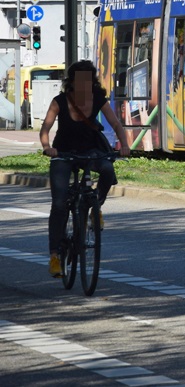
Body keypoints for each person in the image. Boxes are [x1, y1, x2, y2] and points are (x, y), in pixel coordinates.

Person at [39, 60, 131, 278]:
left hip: (90, 152)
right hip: (63, 154)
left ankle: (95, 206)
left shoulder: (98, 99)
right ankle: (55, 255)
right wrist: (47, 147)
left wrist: (124, 145)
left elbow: (116, 124)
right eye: (80, 80)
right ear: (72, 82)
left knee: (108, 170)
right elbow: (45, 128)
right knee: (60, 203)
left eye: (88, 80)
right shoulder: (59, 101)